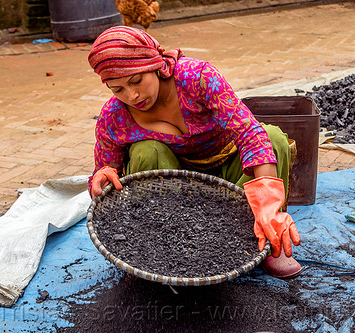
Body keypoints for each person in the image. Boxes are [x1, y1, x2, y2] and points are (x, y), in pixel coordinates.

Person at [87, 26, 301, 279]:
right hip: (176, 189)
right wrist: (102, 178)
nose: (132, 95)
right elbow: (101, 173)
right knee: (147, 150)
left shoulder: (196, 78)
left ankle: (270, 238)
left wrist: (268, 205)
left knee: (273, 139)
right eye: (118, 89)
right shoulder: (114, 117)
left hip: (231, 168)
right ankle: (155, 247)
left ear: (155, 65)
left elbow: (249, 133)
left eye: (136, 81)